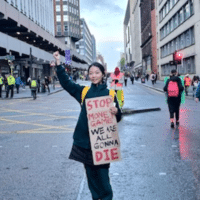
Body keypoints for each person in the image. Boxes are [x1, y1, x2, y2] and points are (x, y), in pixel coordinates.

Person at [53, 51, 122, 200]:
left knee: (103, 178)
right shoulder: (84, 92)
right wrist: (59, 64)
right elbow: (67, 83)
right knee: (91, 179)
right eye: (91, 73)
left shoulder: (110, 94)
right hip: (85, 144)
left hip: (103, 143)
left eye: (97, 72)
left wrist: (116, 111)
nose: (94, 75)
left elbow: (119, 117)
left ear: (103, 74)